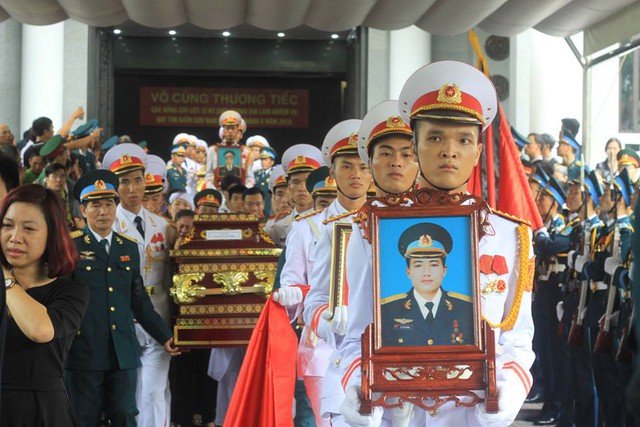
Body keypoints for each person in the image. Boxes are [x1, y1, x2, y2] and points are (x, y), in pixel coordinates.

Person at [340, 61, 534, 426]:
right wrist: (355, 383)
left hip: (473, 413)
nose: (449, 151)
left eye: (463, 139)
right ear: (414, 145)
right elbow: (356, 336)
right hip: (395, 413)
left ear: (478, 151)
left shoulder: (510, 236)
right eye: (435, 138)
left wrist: (508, 391)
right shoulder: (373, 230)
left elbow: (518, 339)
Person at [65, 170, 175, 426]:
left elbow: (138, 300)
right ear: (83, 210)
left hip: (122, 350)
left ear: (116, 206)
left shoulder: (127, 247)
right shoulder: (71, 246)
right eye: (95, 205)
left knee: (126, 414)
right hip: (84, 351)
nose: (103, 211)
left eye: (108, 204)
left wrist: (164, 335)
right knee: (84, 417)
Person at [102, 143, 178, 427]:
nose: (132, 188)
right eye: (124, 182)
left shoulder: (164, 227)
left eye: (138, 179)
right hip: (121, 321)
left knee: (152, 391)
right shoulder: (108, 226)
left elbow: (175, 277)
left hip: (158, 318)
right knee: (128, 396)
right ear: (114, 186)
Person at [0, 184, 89, 425]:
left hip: (42, 412)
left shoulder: (70, 291)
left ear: (52, 234)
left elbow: (40, 330)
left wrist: (6, 279)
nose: (14, 237)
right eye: (7, 225)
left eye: (29, 228)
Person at [381, 223, 473, 347]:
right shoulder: (387, 310)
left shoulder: (466, 308)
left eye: (433, 265)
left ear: (444, 270)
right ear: (408, 271)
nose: (426, 273)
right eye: (418, 265)